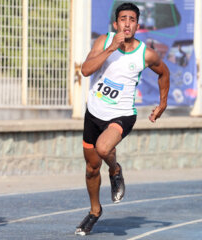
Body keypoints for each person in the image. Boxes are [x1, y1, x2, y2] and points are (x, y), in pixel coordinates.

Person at [75, 2, 169, 235]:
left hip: (122, 114)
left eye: (132, 19)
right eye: (123, 19)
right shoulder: (104, 42)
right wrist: (110, 50)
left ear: (137, 25)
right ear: (116, 24)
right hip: (94, 113)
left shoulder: (145, 54)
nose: (127, 23)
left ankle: (115, 171)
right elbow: (85, 71)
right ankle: (95, 211)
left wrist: (163, 103)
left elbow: (164, 73)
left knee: (104, 148)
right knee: (90, 168)